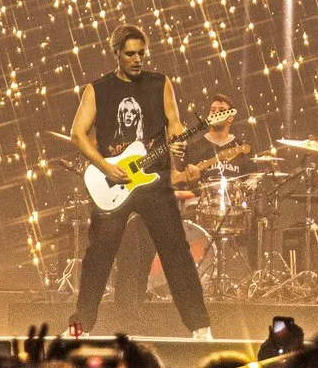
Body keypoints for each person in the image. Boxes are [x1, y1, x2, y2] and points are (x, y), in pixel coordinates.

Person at [66, 24, 212, 338]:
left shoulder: (160, 83)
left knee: (176, 251)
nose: (137, 59)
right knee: (98, 255)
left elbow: (174, 123)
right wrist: (105, 166)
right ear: (116, 53)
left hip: (154, 180)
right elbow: (78, 134)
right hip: (114, 181)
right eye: (130, 54)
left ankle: (200, 327)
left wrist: (177, 143)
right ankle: (79, 328)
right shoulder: (98, 89)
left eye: (141, 53)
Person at [118, 95, 251, 316]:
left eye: (221, 109)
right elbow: (173, 177)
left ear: (231, 116)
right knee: (140, 240)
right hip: (186, 201)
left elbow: (248, 181)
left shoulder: (237, 147)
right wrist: (186, 179)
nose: (216, 111)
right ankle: (137, 301)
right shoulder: (193, 145)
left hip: (225, 202)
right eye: (213, 108)